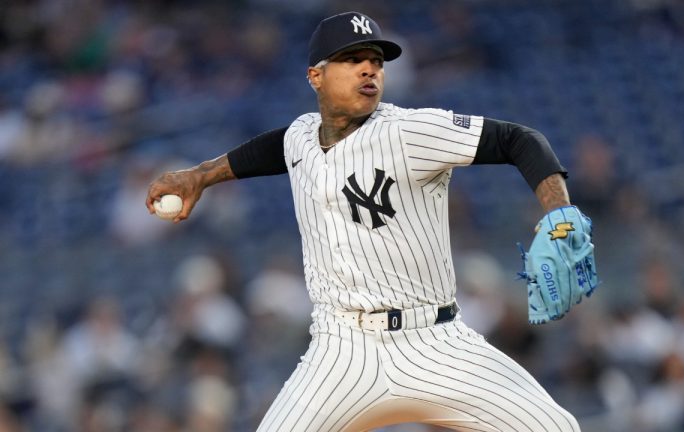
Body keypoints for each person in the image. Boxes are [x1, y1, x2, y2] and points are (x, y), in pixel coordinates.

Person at [146, 11, 595, 432]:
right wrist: (200, 176)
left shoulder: (409, 132)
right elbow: (270, 150)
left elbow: (520, 140)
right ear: (315, 76)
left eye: (376, 61)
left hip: (435, 343)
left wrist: (559, 214)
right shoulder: (302, 135)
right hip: (340, 351)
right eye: (352, 59)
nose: (369, 69)